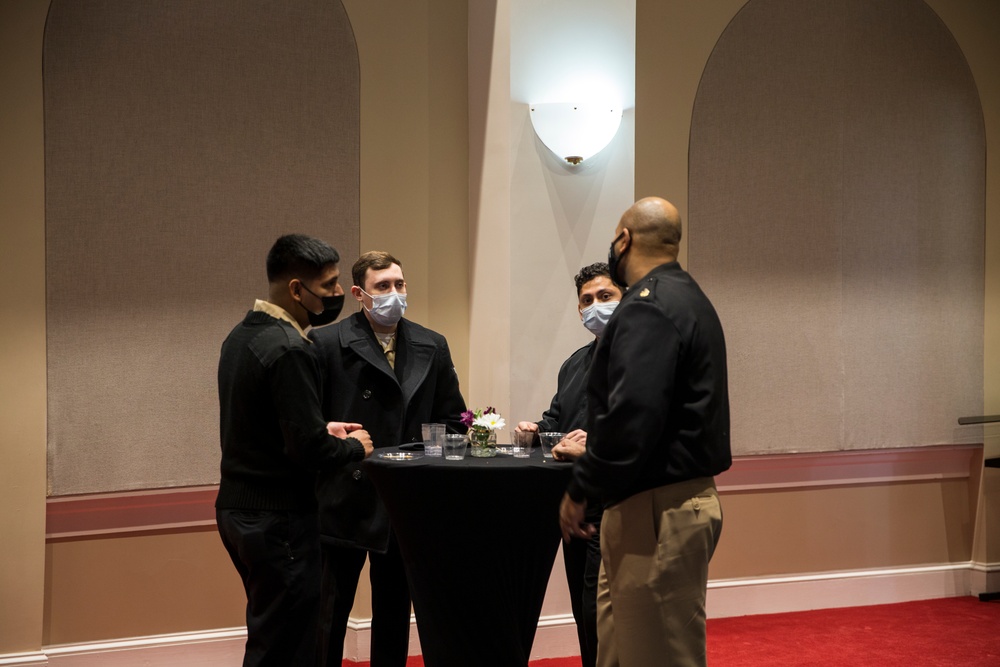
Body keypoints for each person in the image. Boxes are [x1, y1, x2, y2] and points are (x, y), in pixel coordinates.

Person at [559, 197, 731, 667]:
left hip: (656, 510)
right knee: (620, 654)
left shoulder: (648, 307)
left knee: (660, 657)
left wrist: (581, 488)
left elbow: (632, 415)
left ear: (623, 240)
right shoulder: (688, 296)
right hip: (659, 504)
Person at [215, 234, 374, 667]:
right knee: (288, 646)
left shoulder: (241, 335)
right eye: (329, 286)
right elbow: (308, 451)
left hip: (238, 511)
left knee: (270, 632)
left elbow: (264, 425)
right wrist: (353, 448)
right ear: (296, 290)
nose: (340, 293)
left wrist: (321, 427)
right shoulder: (290, 348)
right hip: (279, 518)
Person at [312, 251, 467, 667]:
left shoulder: (432, 344)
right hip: (343, 496)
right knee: (327, 615)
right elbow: (310, 426)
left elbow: (454, 421)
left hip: (404, 497)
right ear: (361, 294)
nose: (395, 294)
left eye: (400, 285)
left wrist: (423, 456)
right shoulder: (326, 343)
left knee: (395, 615)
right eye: (384, 287)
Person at [515, 261, 622, 667]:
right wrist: (535, 431)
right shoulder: (575, 363)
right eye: (587, 300)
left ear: (625, 298)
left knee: (603, 616)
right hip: (574, 506)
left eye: (605, 296)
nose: (595, 307)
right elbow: (557, 422)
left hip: (616, 504)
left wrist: (591, 447)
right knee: (584, 613)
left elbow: (644, 432)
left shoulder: (641, 361)